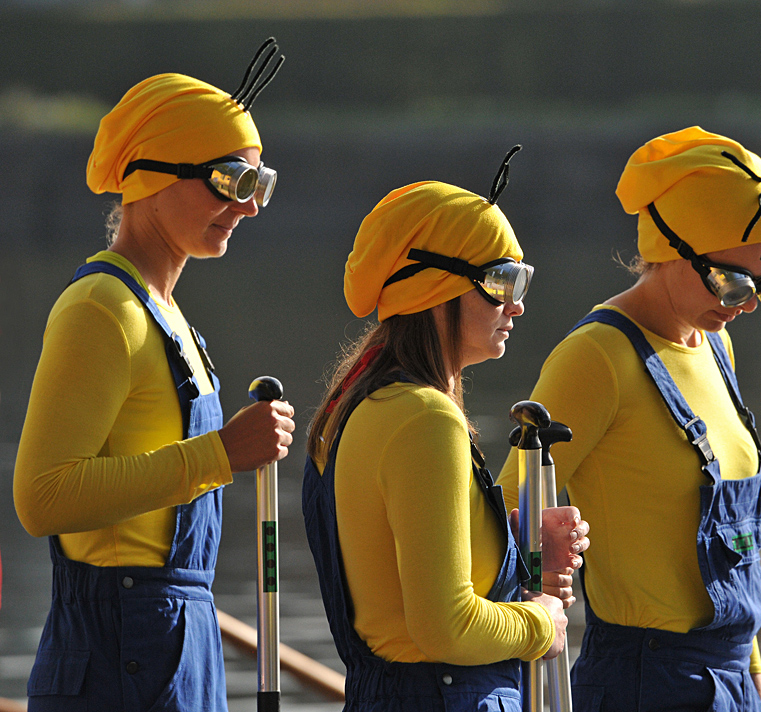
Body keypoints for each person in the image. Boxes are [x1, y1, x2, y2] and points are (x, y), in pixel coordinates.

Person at [497, 127, 761, 711]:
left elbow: (735, 548)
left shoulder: (714, 345)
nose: (746, 305)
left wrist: (750, 664)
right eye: (733, 282)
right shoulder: (597, 357)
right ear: (672, 250)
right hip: (643, 682)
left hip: (730, 676)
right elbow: (502, 515)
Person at [13, 39, 295, 712]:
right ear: (150, 178)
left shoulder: (167, 316)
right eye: (231, 180)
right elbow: (42, 498)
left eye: (259, 183)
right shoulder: (101, 309)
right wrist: (221, 454)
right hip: (118, 648)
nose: (251, 205)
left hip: (177, 637)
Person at [302, 149, 590, 711]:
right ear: (433, 288)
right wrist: (542, 622)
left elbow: (403, 566)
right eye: (502, 281)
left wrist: (515, 545)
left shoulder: (357, 402)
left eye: (522, 280)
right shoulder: (424, 418)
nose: (518, 305)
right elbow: (445, 627)